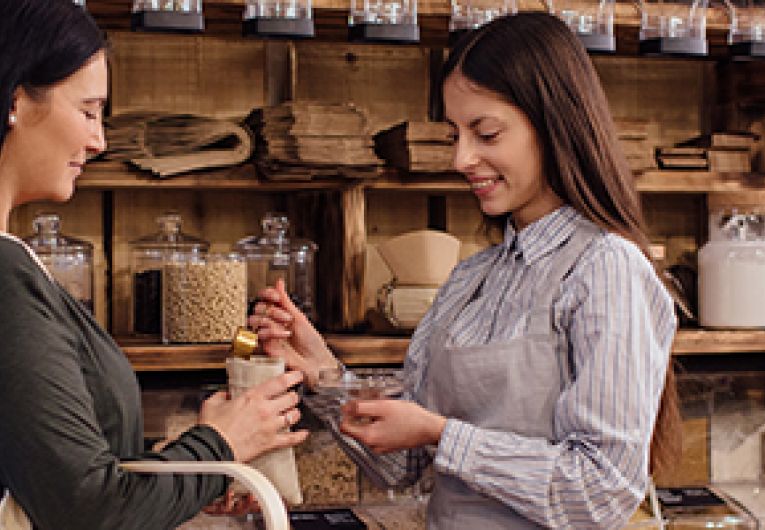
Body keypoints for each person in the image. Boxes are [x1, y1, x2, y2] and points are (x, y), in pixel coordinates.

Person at [251, 11, 681, 530]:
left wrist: (441, 433)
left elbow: (599, 491)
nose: (462, 158)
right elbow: (402, 466)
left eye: (487, 133)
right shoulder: (471, 279)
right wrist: (323, 372)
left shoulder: (605, 268)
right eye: (455, 134)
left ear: (554, 124)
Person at [0, 1, 307, 528]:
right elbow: (89, 510)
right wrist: (219, 444)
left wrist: (184, 468)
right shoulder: (5, 277)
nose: (97, 141)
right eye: (89, 111)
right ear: (16, 101)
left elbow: (56, 470)